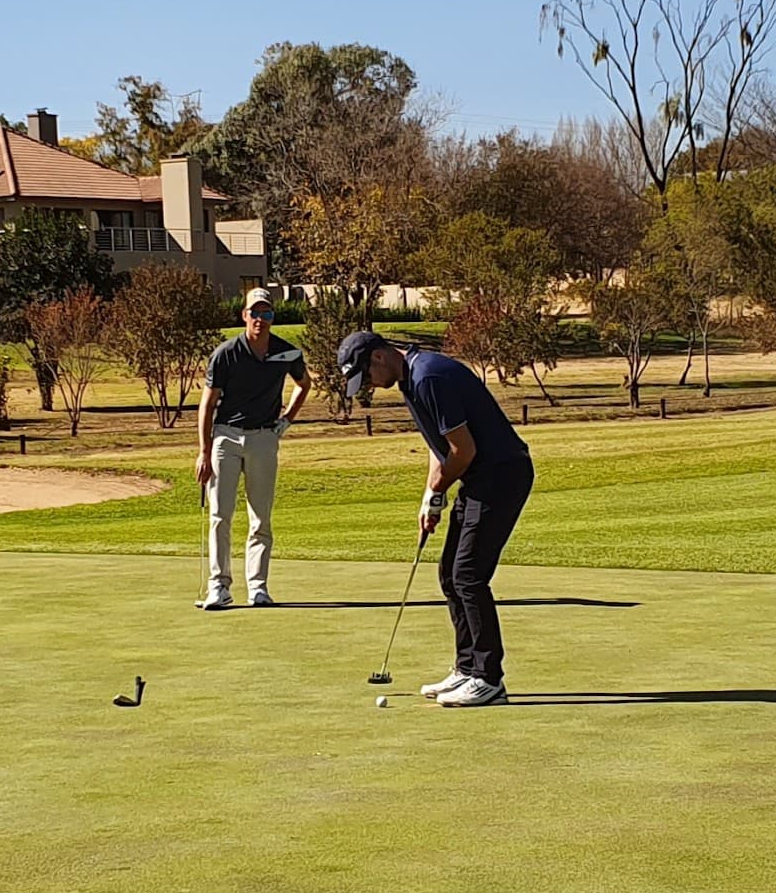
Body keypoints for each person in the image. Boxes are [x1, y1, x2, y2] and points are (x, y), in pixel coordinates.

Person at [337, 330, 533, 707]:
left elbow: (463, 450)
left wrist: (440, 488)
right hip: (480, 477)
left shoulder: (428, 376)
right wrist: (430, 496)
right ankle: (467, 668)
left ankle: (488, 678)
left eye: (367, 377)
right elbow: (439, 445)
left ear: (378, 357)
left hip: (502, 475)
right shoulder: (410, 379)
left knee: (469, 575)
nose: (370, 386)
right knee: (449, 573)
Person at [195, 288, 311, 609]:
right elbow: (207, 405)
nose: (260, 319)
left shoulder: (286, 352)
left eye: (266, 313)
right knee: (221, 514)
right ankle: (219, 586)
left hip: (263, 438)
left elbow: (304, 384)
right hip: (226, 438)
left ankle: (258, 587)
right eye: (255, 313)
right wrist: (204, 451)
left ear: (273, 317)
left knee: (260, 517)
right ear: (244, 315)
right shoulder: (226, 354)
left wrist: (286, 420)